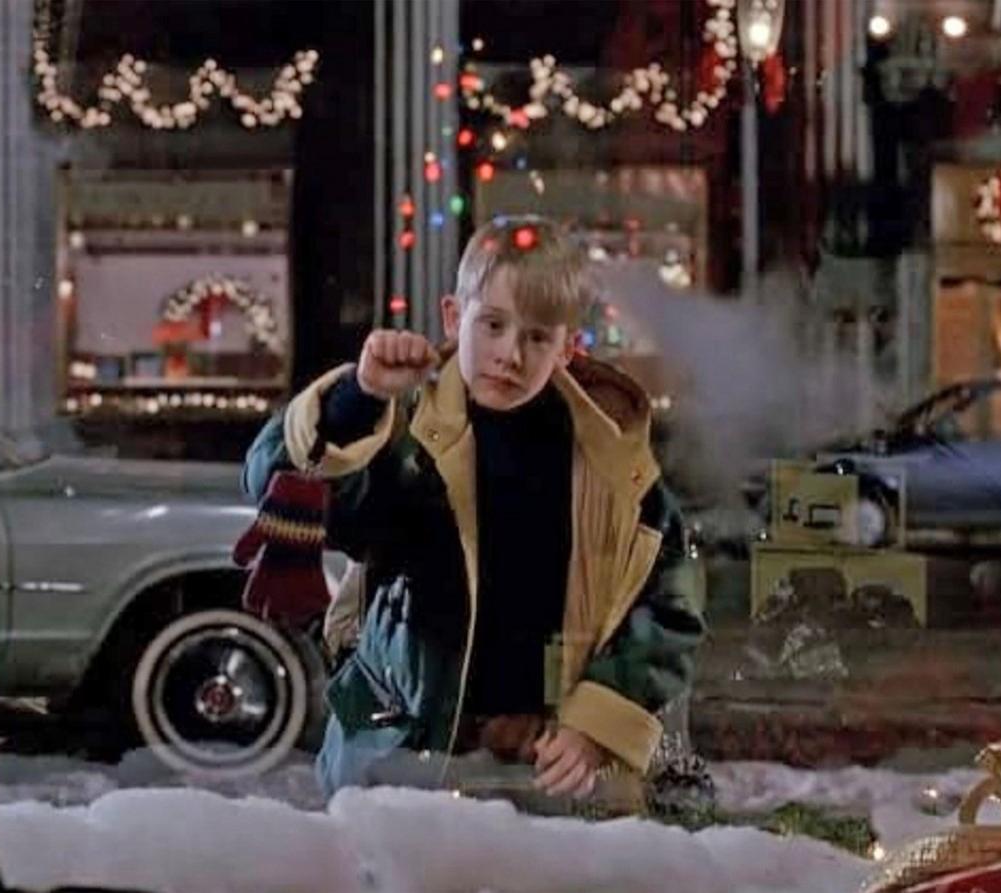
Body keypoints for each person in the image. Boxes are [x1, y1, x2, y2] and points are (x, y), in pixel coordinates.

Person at [243, 215, 705, 811]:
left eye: (537, 337)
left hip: (548, 774)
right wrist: (361, 395)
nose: (510, 355)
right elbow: (271, 478)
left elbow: (671, 598)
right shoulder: (406, 424)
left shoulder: (610, 460)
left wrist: (599, 721)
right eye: (492, 325)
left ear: (568, 347)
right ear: (453, 317)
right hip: (399, 755)